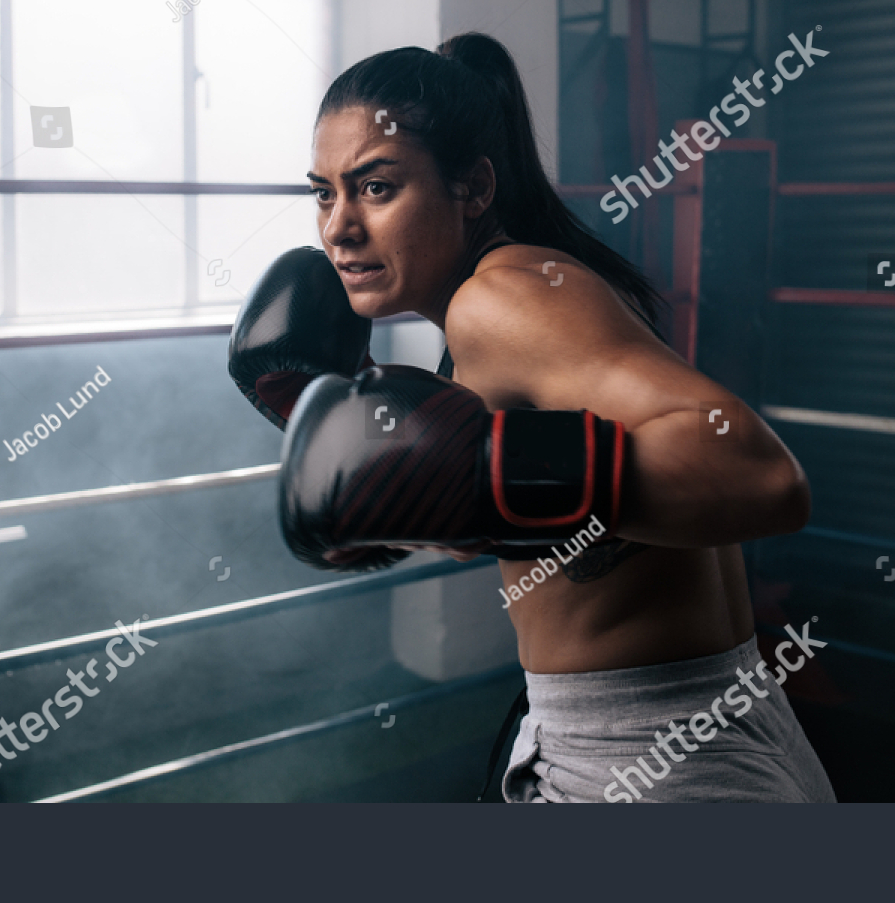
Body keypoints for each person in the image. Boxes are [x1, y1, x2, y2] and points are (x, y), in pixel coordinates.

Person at [231, 32, 834, 804]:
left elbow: (759, 475)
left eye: (376, 188)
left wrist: (483, 471)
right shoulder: (506, 295)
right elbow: (517, 517)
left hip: (646, 760)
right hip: (704, 727)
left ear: (473, 187)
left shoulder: (503, 300)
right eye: (324, 191)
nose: (340, 226)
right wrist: (397, 454)